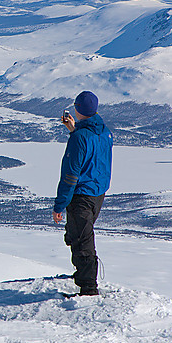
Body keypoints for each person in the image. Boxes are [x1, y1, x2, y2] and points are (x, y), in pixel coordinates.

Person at [53, 91, 113, 296]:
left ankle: (88, 289)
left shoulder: (79, 138)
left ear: (77, 109)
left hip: (81, 195)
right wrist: (74, 129)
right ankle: (83, 278)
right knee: (78, 233)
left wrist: (59, 205)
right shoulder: (104, 132)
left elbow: (70, 175)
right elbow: (93, 153)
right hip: (98, 193)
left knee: (82, 240)